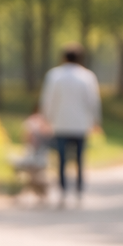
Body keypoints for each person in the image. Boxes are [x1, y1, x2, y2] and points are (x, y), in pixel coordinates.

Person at [39, 44, 102, 199]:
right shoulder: (87, 77)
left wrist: (46, 118)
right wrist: (96, 121)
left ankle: (63, 189)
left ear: (63, 57)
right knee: (80, 158)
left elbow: (48, 99)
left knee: (61, 158)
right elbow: (93, 101)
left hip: (60, 123)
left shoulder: (54, 75)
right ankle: (79, 189)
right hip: (80, 124)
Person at [15, 111, 52, 203]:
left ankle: (39, 191)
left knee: (34, 173)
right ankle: (40, 192)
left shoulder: (43, 144)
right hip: (32, 159)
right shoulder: (29, 147)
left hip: (39, 159)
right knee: (33, 174)